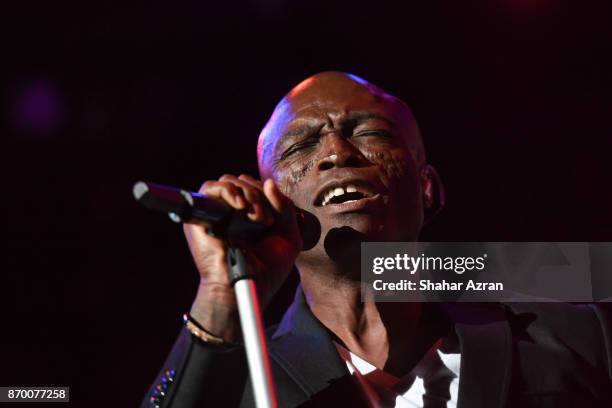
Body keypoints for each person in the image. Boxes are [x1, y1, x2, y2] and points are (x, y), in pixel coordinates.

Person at [142, 72, 612, 407]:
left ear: (428, 189)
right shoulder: (244, 385)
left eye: (368, 133)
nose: (336, 153)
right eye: (301, 146)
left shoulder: (574, 333)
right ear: (274, 203)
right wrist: (222, 297)